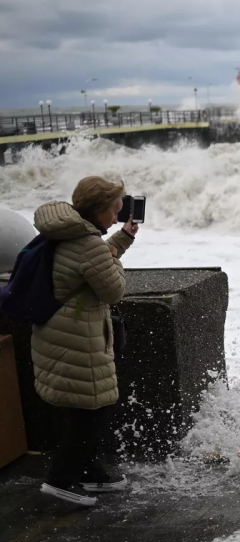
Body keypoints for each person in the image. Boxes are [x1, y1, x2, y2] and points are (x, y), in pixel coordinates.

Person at [34, 177, 138, 506]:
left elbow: (88, 265)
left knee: (87, 406)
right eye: (115, 211)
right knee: (92, 410)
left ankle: (89, 471)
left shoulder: (68, 232)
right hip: (79, 336)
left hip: (59, 330)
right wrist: (116, 260)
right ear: (101, 210)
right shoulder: (88, 243)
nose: (117, 216)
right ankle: (61, 481)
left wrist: (122, 240)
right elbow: (113, 289)